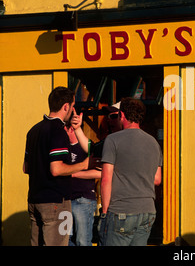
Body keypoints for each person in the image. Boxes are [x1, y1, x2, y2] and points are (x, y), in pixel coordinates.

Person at [23, 86, 89, 246]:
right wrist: (83, 164)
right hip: (56, 201)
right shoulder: (58, 130)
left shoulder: (33, 130)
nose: (73, 111)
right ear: (66, 106)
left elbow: (26, 168)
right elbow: (56, 169)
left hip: (34, 200)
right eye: (72, 107)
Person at [99, 97, 162, 246]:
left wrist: (104, 214)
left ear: (122, 115)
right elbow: (157, 179)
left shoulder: (113, 140)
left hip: (121, 210)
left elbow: (106, 180)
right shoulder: (153, 142)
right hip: (147, 211)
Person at [65, 119, 101, 246]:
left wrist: (74, 173)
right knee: (65, 241)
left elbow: (100, 172)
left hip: (83, 199)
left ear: (70, 129)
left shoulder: (87, 147)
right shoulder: (62, 148)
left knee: (82, 241)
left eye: (64, 128)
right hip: (65, 200)